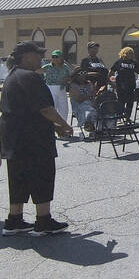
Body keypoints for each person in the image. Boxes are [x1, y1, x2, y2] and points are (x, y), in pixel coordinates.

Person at [0, 41, 73, 236]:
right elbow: (45, 108)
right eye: (38, 54)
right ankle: (43, 221)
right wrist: (64, 124)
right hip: (33, 139)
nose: (42, 57)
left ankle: (14, 220)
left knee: (18, 179)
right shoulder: (30, 77)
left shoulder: (12, 76)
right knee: (42, 175)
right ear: (26, 57)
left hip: (14, 138)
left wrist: (55, 126)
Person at [109, 47, 139, 121]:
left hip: (131, 86)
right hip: (121, 86)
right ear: (124, 53)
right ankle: (119, 118)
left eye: (132, 53)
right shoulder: (119, 62)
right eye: (130, 53)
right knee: (121, 102)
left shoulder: (133, 63)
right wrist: (110, 81)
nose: (131, 55)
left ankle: (127, 117)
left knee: (130, 102)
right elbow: (111, 72)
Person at [41, 50, 73, 123]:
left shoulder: (65, 67)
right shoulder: (48, 67)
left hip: (62, 89)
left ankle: (63, 126)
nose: (54, 59)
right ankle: (52, 127)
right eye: (53, 57)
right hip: (51, 89)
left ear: (61, 58)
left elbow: (72, 77)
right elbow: (36, 71)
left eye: (56, 57)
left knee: (64, 109)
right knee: (52, 108)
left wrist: (67, 79)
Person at [69, 68, 97, 133]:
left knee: (102, 108)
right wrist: (90, 94)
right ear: (76, 76)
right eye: (81, 75)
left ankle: (103, 127)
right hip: (79, 106)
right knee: (89, 110)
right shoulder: (73, 86)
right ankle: (88, 125)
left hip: (91, 104)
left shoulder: (89, 84)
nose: (83, 77)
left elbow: (93, 96)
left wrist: (95, 92)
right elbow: (78, 99)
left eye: (84, 75)